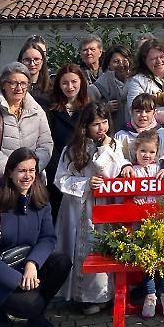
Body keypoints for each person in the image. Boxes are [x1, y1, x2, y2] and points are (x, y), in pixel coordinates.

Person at [0, 147, 72, 327]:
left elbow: (47, 238)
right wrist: (18, 280)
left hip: (27, 266)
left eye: (32, 170)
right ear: (10, 173)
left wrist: (32, 264)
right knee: (31, 303)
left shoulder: (41, 201)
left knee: (62, 261)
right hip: (0, 275)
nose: (27, 176)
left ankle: (36, 316)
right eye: (22, 170)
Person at [54, 102, 133, 314]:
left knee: (101, 245)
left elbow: (108, 169)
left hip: (104, 205)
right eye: (96, 124)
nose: (101, 128)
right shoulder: (72, 149)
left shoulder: (113, 145)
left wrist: (122, 164)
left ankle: (103, 295)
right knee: (81, 246)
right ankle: (82, 297)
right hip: (79, 205)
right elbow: (60, 180)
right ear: (85, 127)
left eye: (104, 122)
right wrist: (86, 184)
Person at [0, 63, 54, 185]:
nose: (19, 88)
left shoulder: (37, 111)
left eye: (23, 83)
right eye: (13, 83)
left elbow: (46, 144)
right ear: (3, 85)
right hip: (2, 182)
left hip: (32, 181)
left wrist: (31, 170)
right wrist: (12, 173)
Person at [131, 130, 164, 317]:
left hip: (161, 222)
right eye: (143, 151)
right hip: (142, 225)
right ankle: (150, 294)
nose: (147, 155)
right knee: (148, 262)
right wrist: (134, 199)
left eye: (151, 152)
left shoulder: (160, 170)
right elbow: (127, 194)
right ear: (136, 150)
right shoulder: (133, 171)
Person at [45, 64, 92, 220]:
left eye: (74, 81)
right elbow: (48, 140)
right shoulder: (51, 108)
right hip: (57, 167)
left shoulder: (89, 108)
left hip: (83, 167)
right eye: (65, 83)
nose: (70, 87)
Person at [116, 94, 164, 169]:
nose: (143, 115)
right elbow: (116, 156)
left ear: (154, 112)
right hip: (131, 177)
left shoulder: (163, 133)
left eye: (147, 111)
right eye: (138, 111)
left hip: (157, 176)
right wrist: (125, 166)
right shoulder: (121, 135)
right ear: (131, 112)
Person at [93, 46, 130, 133]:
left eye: (124, 60)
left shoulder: (136, 80)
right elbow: (89, 111)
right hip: (112, 133)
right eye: (116, 62)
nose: (121, 64)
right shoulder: (99, 85)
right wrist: (104, 109)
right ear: (108, 65)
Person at [18, 39, 52, 106]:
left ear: (42, 61)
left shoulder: (53, 86)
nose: (32, 64)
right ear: (21, 61)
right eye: (27, 60)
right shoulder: (13, 86)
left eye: (36, 59)